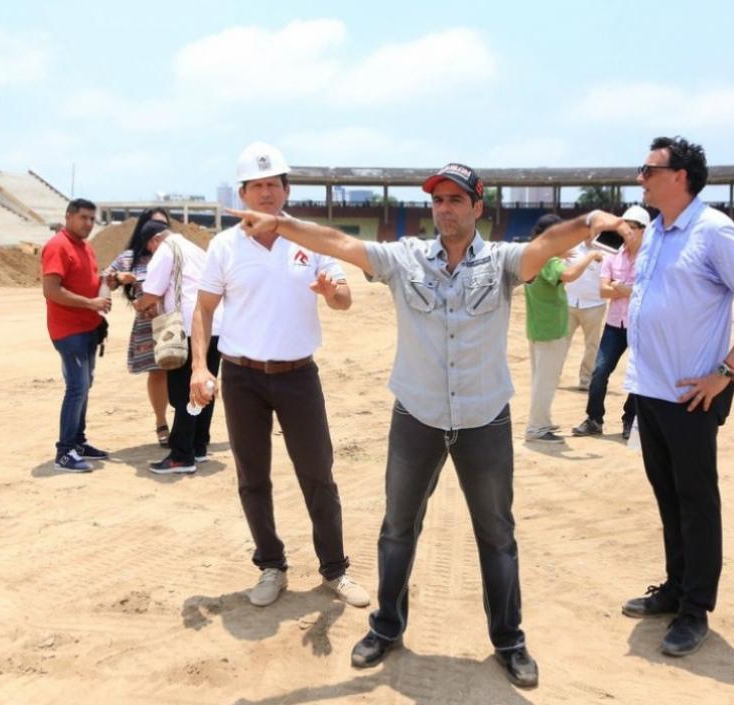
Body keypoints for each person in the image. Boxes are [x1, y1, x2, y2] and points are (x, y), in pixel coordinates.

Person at [221, 161, 635, 689]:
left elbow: (545, 246)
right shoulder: (405, 259)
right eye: (438, 200)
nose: (445, 209)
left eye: (456, 200)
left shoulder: (503, 262)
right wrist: (281, 224)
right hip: (416, 415)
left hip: (484, 417)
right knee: (397, 530)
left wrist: (589, 222)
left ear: (477, 207)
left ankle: (509, 640)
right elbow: (338, 242)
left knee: (497, 535)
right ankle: (386, 627)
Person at [618, 137, 734, 658]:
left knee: (696, 502)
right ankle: (674, 587)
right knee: (668, 498)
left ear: (680, 176)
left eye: (648, 170)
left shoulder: (713, 231)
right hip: (650, 391)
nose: (640, 178)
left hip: (691, 397)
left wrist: (726, 372)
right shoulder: (657, 231)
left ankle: (695, 609)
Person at [188, 142, 370, 610]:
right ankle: (272, 566)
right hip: (242, 377)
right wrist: (200, 366)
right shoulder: (224, 246)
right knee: (252, 477)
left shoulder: (310, 239)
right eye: (257, 186)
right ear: (243, 194)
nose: (266, 193)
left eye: (274, 184)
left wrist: (332, 293)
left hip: (297, 376)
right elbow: (204, 309)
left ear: (287, 190)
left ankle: (335, 570)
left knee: (318, 473)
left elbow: (344, 298)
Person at [41, 198, 112, 472]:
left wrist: (108, 283)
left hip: (88, 328)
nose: (89, 224)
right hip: (68, 331)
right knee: (77, 387)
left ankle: (78, 442)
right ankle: (65, 451)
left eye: (92, 219)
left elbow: (88, 282)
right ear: (68, 216)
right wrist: (90, 303)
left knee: (84, 385)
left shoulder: (85, 247)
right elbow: (51, 290)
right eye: (83, 217)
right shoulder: (58, 246)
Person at [134, 221, 209, 473]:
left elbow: (151, 293)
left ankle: (181, 456)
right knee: (204, 387)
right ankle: (199, 447)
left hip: (186, 327)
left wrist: (139, 304)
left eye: (150, 249)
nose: (152, 252)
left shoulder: (166, 249)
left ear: (154, 241)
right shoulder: (195, 249)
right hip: (214, 325)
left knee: (182, 392)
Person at [572, 205, 650, 440]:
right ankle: (594, 419)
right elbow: (603, 291)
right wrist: (626, 289)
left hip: (643, 325)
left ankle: (630, 419)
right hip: (615, 325)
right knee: (599, 371)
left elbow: (648, 293)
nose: (627, 231)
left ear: (644, 230)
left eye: (632, 227)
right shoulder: (612, 255)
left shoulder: (651, 259)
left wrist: (617, 285)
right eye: (625, 227)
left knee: (638, 375)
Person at [523, 214, 601, 442]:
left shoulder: (533, 253)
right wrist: (590, 257)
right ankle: (537, 428)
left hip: (538, 326)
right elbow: (568, 275)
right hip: (551, 328)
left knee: (541, 378)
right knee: (546, 382)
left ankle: (542, 421)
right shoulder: (549, 259)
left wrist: (559, 254)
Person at [104, 208, 174, 448]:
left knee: (183, 375)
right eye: (154, 225)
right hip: (148, 326)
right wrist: (117, 278)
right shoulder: (129, 258)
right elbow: (104, 280)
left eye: (164, 225)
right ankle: (161, 423)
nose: (159, 231)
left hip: (178, 322)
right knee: (158, 373)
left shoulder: (176, 253)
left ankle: (187, 426)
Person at [563, 230, 609, 390]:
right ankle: (552, 375)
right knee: (560, 342)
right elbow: (563, 272)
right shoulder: (572, 249)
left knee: (592, 345)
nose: (589, 234)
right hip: (569, 302)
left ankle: (586, 379)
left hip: (594, 305)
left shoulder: (607, 253)